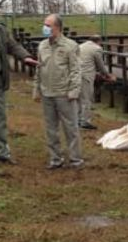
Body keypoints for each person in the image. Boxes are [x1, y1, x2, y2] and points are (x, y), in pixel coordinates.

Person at [0, 0, 38, 166]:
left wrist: (25, 57)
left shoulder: (0, 29)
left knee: (0, 118)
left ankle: (2, 152)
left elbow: (13, 45)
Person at [33, 14, 83, 169]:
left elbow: (76, 70)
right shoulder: (42, 46)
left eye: (48, 25)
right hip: (47, 93)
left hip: (64, 94)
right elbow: (38, 69)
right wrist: (36, 89)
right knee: (51, 129)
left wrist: (74, 91)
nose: (45, 28)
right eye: (44, 24)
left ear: (58, 27)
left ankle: (75, 159)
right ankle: (56, 159)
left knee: (71, 128)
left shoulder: (70, 46)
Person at [78, 35, 115, 130]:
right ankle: (84, 122)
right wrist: (108, 76)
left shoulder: (81, 46)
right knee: (87, 98)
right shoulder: (97, 48)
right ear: (99, 41)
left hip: (75, 74)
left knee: (78, 98)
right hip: (86, 76)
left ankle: (78, 119)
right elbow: (100, 65)